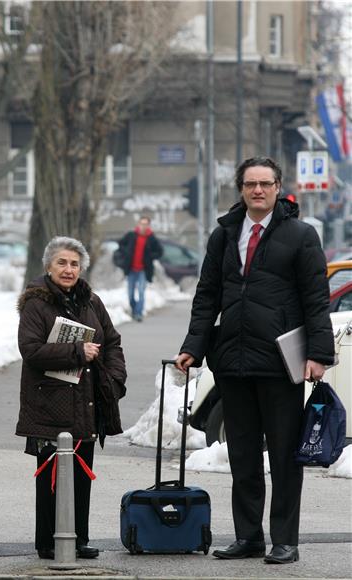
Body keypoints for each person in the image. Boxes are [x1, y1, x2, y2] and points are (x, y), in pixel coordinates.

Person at [176, 157, 334, 564]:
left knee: (283, 456)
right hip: (232, 358)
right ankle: (248, 537)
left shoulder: (301, 235)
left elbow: (316, 299)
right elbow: (206, 294)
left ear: (278, 187)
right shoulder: (224, 234)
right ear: (241, 188)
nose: (258, 190)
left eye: (265, 183)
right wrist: (194, 345)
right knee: (242, 455)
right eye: (251, 184)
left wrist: (318, 354)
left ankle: (285, 539)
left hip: (281, 362)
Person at [16, 236, 127, 560]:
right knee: (51, 477)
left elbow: (113, 342)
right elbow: (31, 350)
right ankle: (49, 543)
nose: (68, 269)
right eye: (62, 263)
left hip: (88, 402)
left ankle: (78, 539)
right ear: (49, 266)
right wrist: (77, 351)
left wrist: (116, 379)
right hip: (49, 405)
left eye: (74, 264)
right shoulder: (36, 304)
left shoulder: (91, 302)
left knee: (81, 474)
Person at [117, 216, 163, 321]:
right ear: (138, 224)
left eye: (145, 224)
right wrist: (126, 253)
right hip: (131, 269)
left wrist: (150, 256)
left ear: (148, 226)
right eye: (142, 223)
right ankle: (134, 310)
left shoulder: (151, 238)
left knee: (141, 292)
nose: (143, 226)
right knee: (130, 293)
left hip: (143, 270)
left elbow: (160, 252)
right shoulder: (131, 235)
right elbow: (120, 244)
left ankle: (138, 313)